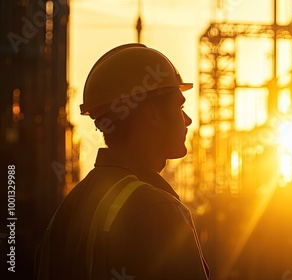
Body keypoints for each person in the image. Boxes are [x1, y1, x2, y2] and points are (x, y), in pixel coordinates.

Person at [35, 43, 209, 279]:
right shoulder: (158, 209)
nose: (187, 120)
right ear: (152, 114)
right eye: (180, 106)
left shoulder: (69, 208)